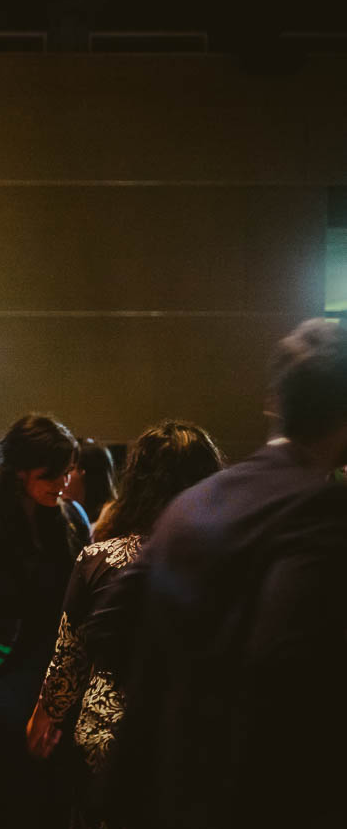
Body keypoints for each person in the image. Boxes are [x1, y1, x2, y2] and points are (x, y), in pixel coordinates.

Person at [94, 319, 347, 829]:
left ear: (275, 400)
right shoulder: (322, 510)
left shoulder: (198, 499)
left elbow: (109, 624)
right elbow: (290, 671)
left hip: (162, 791)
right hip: (256, 800)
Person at [27, 420, 222, 828]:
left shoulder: (99, 560)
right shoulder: (229, 560)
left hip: (114, 739)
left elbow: (70, 658)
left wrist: (47, 713)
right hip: (201, 734)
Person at [0, 414, 88, 829]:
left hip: (58, 674)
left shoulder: (71, 520)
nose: (64, 484)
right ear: (19, 472)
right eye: (53, 474)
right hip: (4, 682)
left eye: (68, 472)